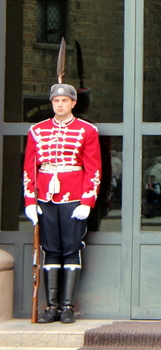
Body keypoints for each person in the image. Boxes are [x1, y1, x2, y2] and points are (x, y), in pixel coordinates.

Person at [23, 83, 102, 324]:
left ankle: (67, 306)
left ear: (73, 103)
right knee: (50, 250)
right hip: (46, 198)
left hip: (74, 197)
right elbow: (30, 169)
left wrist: (87, 201)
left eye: (64, 100)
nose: (59, 104)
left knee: (71, 248)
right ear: (51, 103)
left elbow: (93, 168)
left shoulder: (87, 130)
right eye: (56, 101)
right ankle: (52, 306)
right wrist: (29, 201)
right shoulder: (37, 130)